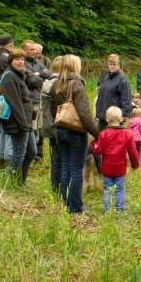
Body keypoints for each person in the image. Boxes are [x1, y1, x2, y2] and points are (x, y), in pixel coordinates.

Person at [50, 54, 100, 214]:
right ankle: (76, 207)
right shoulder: (77, 84)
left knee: (65, 168)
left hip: (60, 130)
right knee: (77, 170)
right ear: (75, 66)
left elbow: (52, 109)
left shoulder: (56, 84)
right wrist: (98, 135)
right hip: (76, 133)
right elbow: (84, 115)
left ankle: (66, 203)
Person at [0, 48, 37, 184]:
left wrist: (31, 114)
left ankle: (20, 181)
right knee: (19, 153)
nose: (21, 62)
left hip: (25, 120)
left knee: (31, 152)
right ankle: (12, 183)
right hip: (18, 122)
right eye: (17, 59)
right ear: (11, 61)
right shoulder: (9, 76)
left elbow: (23, 99)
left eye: (22, 59)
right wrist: (23, 124)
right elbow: (14, 102)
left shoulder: (18, 75)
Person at [91, 106, 139, 213]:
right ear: (121, 119)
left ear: (107, 119)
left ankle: (107, 210)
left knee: (107, 189)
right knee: (120, 189)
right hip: (120, 168)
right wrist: (134, 164)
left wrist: (94, 143)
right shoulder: (127, 133)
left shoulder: (103, 134)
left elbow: (98, 150)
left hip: (106, 168)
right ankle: (120, 210)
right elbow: (133, 152)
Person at [23, 40, 53, 159]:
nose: (34, 51)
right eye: (31, 49)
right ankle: (30, 154)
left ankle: (39, 155)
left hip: (40, 100)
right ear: (24, 50)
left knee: (40, 127)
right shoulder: (22, 63)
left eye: (35, 49)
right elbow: (30, 80)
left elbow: (50, 74)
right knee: (32, 128)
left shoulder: (37, 61)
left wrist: (38, 73)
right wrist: (42, 78)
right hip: (30, 100)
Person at [94, 54, 132, 131]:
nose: (112, 66)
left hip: (114, 118)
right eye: (110, 64)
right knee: (100, 136)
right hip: (103, 116)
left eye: (114, 64)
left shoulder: (123, 80)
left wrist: (123, 115)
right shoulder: (105, 77)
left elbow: (127, 100)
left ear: (119, 65)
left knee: (113, 138)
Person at [41, 57, 62, 192]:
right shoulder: (59, 83)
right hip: (59, 123)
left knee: (55, 157)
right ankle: (61, 186)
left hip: (48, 123)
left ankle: (55, 186)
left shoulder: (47, 81)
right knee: (62, 157)